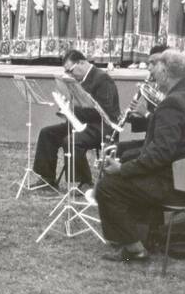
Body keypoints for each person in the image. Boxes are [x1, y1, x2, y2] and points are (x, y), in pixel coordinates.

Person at [96, 50, 185, 262]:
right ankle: (146, 236)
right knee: (130, 174)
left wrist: (122, 168)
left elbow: (160, 154)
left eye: (155, 68)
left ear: (165, 71)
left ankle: (134, 249)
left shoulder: (173, 103)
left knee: (109, 186)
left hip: (178, 186)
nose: (151, 72)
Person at [32, 50, 120, 191]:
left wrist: (73, 110)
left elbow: (106, 113)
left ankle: (85, 182)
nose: (70, 75)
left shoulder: (103, 79)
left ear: (82, 63)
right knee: (47, 133)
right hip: (81, 123)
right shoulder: (79, 80)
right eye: (67, 72)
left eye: (71, 71)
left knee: (71, 140)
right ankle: (47, 178)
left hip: (102, 127)